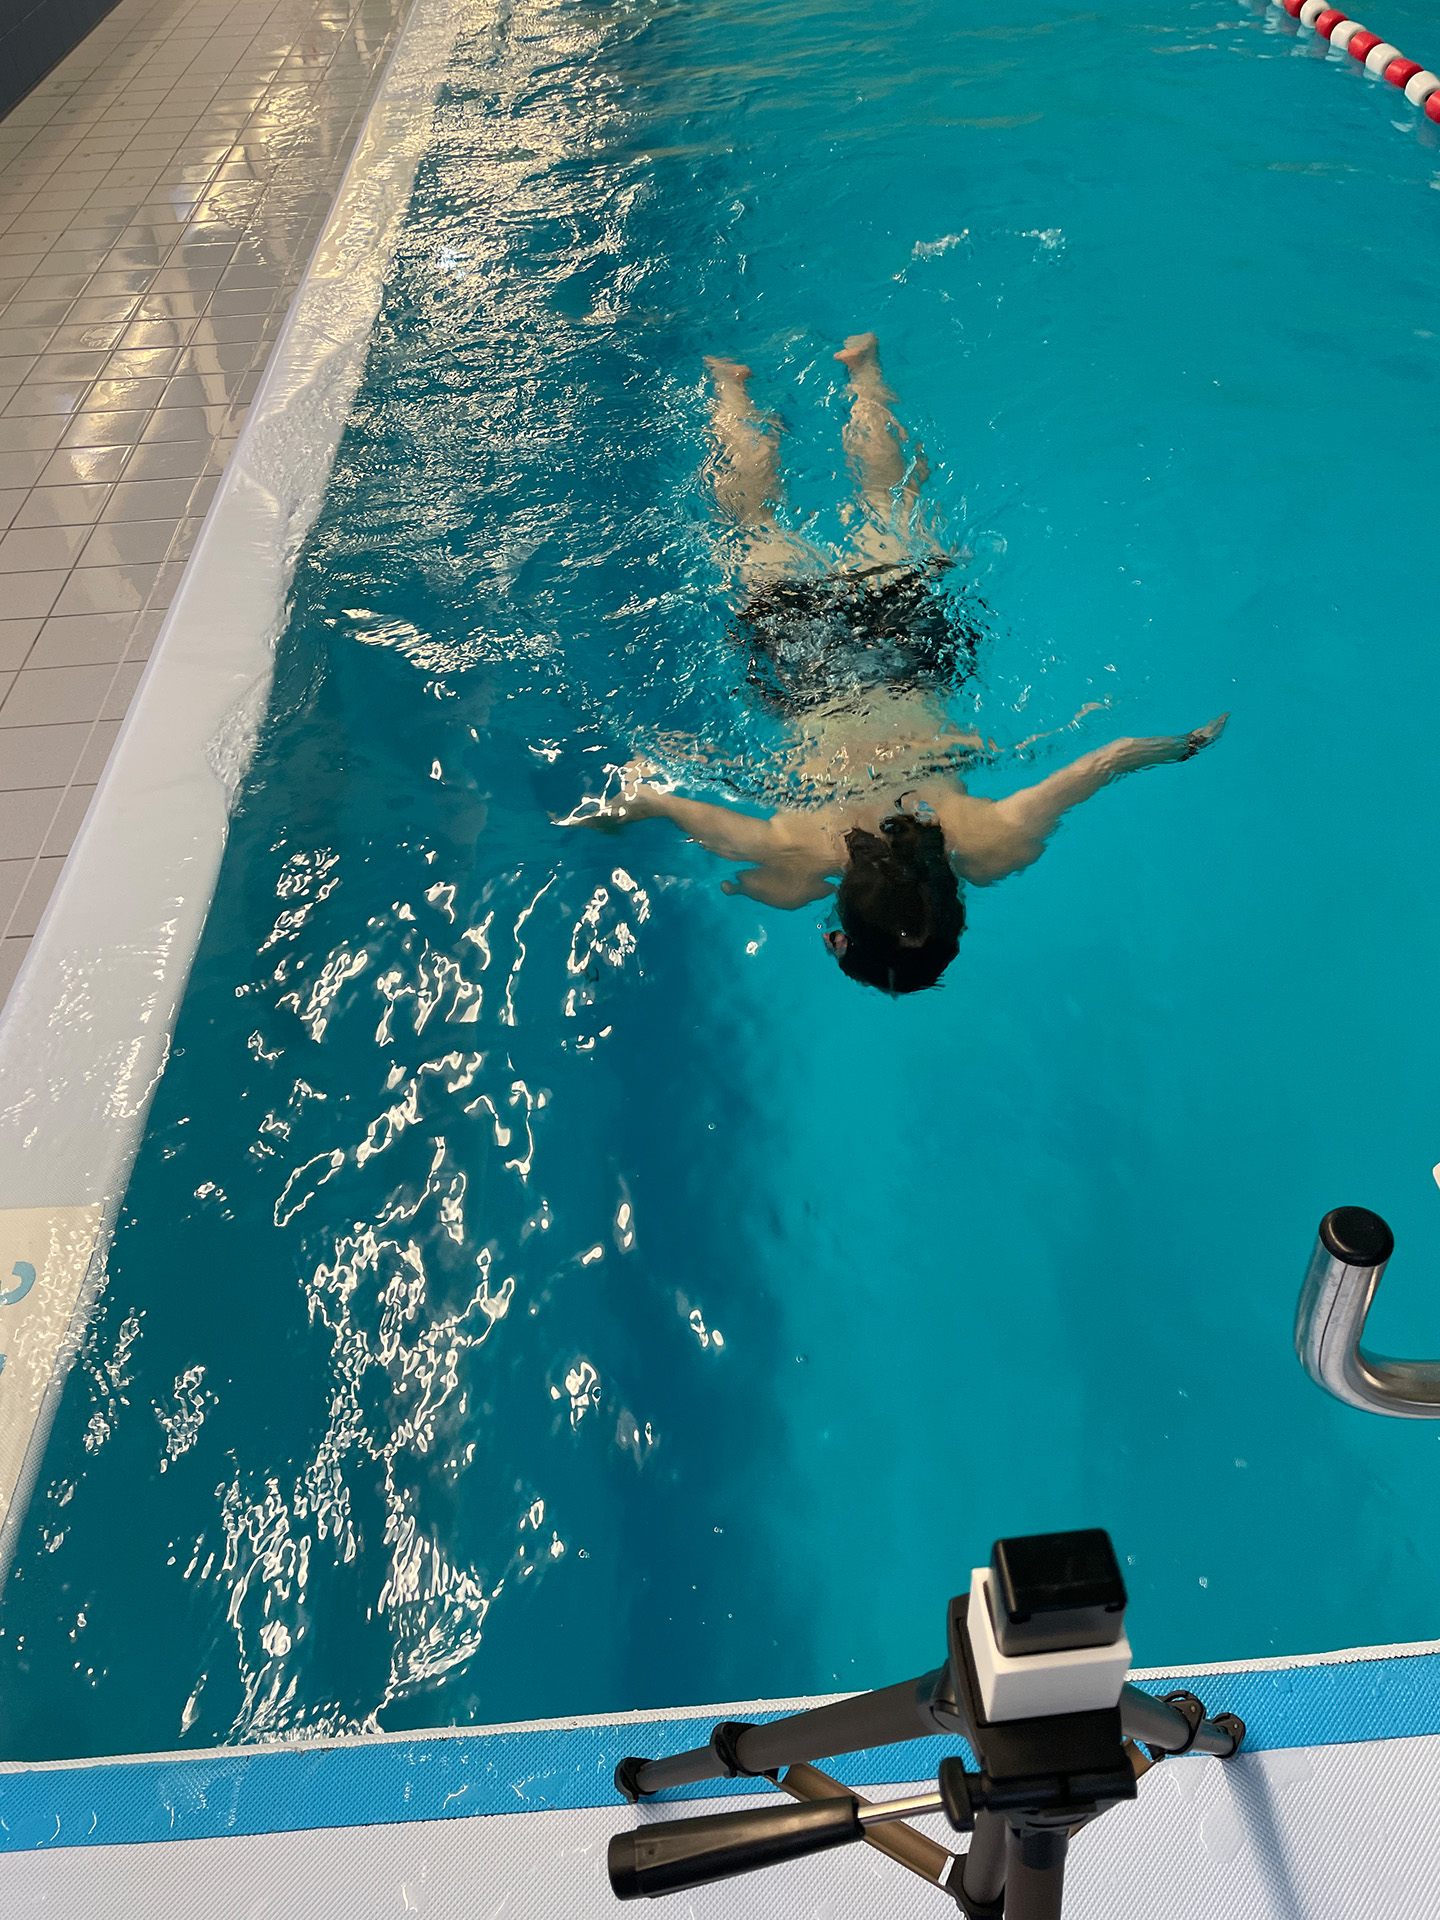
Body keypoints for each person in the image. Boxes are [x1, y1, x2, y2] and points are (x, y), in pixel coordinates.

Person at [563, 334, 1226, 996]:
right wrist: (610, 815)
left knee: (888, 504)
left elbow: (1101, 761)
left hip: (910, 656)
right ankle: (730, 389)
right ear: (840, 929)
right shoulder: (797, 857)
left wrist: (1183, 746)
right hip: (808, 677)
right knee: (754, 526)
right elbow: (664, 804)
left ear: (954, 914)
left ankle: (864, 373)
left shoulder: (993, 844)